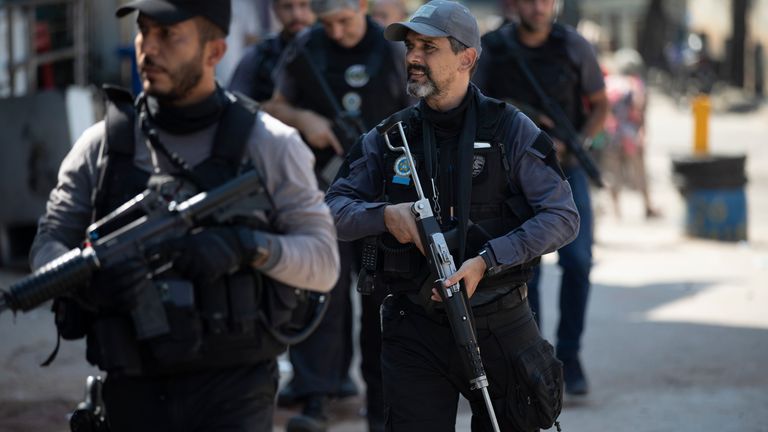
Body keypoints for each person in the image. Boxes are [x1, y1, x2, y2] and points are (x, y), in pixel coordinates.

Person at [28, 1, 340, 431]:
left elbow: (323, 261)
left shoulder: (269, 143)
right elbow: (48, 243)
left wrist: (247, 247)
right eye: (144, 31)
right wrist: (85, 280)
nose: (148, 48)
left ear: (214, 52)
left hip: (233, 389)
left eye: (168, 35)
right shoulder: (101, 145)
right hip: (131, 381)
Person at [326, 1, 580, 430]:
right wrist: (387, 216)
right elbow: (332, 209)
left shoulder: (511, 130)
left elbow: (561, 216)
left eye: (428, 47)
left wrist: (488, 260)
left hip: (499, 318)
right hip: (415, 325)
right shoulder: (390, 137)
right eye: (410, 47)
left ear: (467, 58)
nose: (413, 58)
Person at [264, 0, 411, 430]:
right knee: (321, 298)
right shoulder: (307, 46)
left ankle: (382, 405)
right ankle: (315, 397)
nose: (336, 32)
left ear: (363, 6)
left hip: (384, 201)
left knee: (381, 305)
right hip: (322, 194)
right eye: (327, 23)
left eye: (344, 22)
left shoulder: (390, 49)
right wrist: (304, 118)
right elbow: (273, 106)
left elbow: (418, 112)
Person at [474, 0, 609, 396]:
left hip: (567, 168)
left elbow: (599, 104)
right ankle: (529, 358)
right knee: (520, 267)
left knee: (579, 261)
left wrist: (577, 140)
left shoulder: (573, 46)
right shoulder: (494, 47)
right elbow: (475, 101)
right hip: (509, 177)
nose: (538, 7)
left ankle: (570, 353)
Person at [601, 48, 660, 219]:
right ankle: (647, 207)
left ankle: (616, 211)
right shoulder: (636, 84)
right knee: (639, 172)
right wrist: (642, 131)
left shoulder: (609, 82)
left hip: (611, 135)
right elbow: (639, 109)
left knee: (613, 174)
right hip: (630, 136)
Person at [229, 0, 316, 101]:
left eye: (304, 5)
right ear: (275, 9)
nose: (296, 15)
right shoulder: (258, 56)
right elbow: (235, 101)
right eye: (287, 7)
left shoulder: (334, 46)